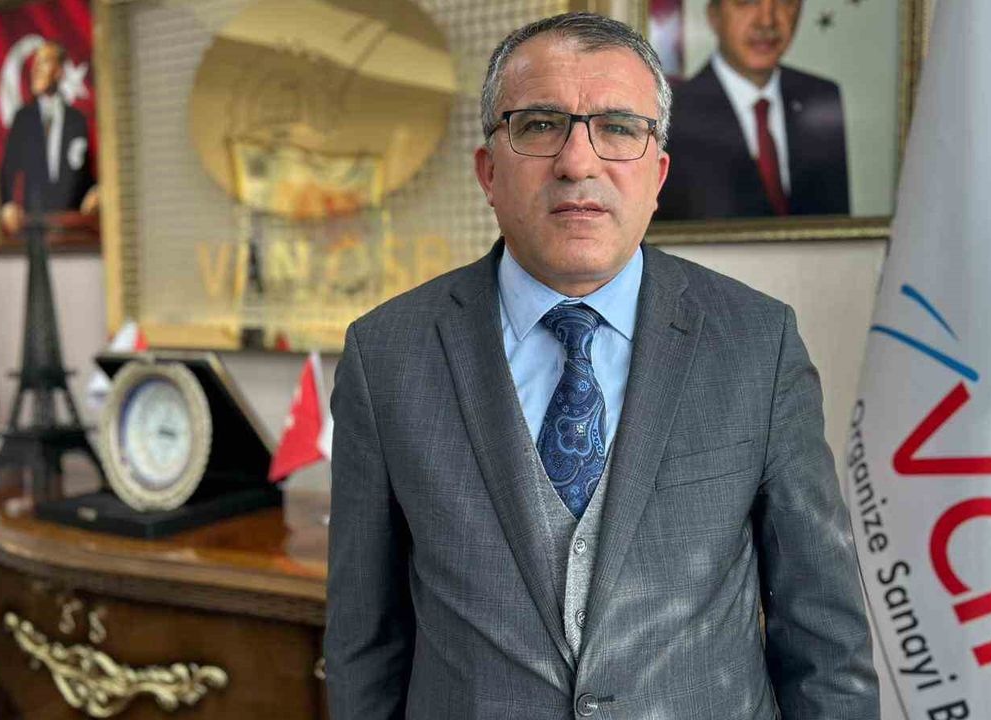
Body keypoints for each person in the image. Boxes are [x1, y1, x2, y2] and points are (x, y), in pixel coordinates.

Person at [325, 12, 876, 719]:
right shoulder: (385, 355)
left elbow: (827, 642)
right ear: (488, 171)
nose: (578, 163)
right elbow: (364, 645)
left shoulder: (757, 343)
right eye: (539, 125)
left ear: (658, 173)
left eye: (618, 128)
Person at [656, 0, 849, 220]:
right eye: (747, 2)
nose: (766, 21)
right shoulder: (673, 114)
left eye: (784, 1)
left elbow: (835, 223)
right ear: (714, 15)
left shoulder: (821, 97)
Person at [0, 40, 98, 236]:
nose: (35, 69)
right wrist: (7, 204)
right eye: (35, 63)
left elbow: (84, 174)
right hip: (34, 226)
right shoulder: (23, 119)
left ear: (59, 72)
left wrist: (97, 191)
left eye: (43, 62)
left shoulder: (76, 120)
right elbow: (7, 171)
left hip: (72, 227)